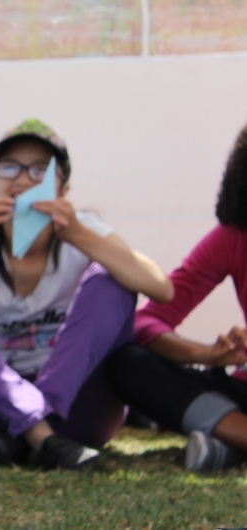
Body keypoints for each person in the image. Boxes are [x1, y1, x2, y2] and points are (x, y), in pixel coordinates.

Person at [0, 119, 173, 470]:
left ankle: (30, 430)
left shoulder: (84, 233)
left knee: (113, 277)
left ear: (63, 188)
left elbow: (160, 287)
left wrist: (77, 234)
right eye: (10, 168)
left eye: (40, 171)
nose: (23, 179)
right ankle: (42, 437)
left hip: (73, 412)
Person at [108, 121, 247, 472]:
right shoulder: (232, 238)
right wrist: (206, 354)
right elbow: (147, 321)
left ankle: (225, 444)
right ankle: (234, 436)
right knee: (126, 361)